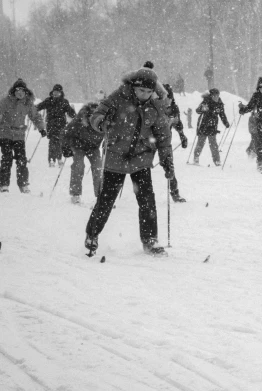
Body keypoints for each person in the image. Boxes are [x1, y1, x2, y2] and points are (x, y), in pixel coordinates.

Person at [84, 66, 175, 256]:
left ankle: (150, 240)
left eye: (149, 92)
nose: (145, 95)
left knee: (147, 201)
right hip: (115, 156)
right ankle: (92, 234)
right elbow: (96, 115)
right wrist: (102, 122)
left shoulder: (156, 106)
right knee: (106, 199)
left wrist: (166, 159)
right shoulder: (117, 98)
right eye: (141, 90)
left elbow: (163, 136)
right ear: (133, 86)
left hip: (141, 158)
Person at [0, 79, 47, 193]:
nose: (20, 93)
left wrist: (41, 128)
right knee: (6, 159)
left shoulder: (28, 103)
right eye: (17, 90)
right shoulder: (6, 102)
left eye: (22, 90)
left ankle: (23, 184)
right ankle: (4, 184)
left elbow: (35, 116)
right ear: (14, 91)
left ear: (25, 92)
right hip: (5, 134)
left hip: (19, 136)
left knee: (21, 160)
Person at [62, 102, 103, 204]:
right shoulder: (79, 121)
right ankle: (75, 194)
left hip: (93, 147)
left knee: (98, 168)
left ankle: (101, 196)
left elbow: (113, 135)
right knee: (78, 166)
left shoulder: (104, 123)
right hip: (78, 146)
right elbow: (65, 132)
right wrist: (65, 147)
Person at [36, 84, 75, 167]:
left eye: (57, 92)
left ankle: (59, 158)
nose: (56, 93)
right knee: (53, 141)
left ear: (61, 93)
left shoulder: (64, 102)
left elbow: (70, 112)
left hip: (61, 124)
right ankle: (52, 159)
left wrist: (76, 116)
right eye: (54, 92)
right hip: (51, 124)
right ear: (52, 92)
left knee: (60, 141)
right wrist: (31, 109)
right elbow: (39, 107)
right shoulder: (48, 100)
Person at [162, 83, 187, 202]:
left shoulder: (174, 108)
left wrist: (182, 136)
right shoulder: (153, 107)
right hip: (148, 141)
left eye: (170, 99)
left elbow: (178, 123)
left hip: (165, 141)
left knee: (169, 167)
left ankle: (175, 193)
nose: (168, 101)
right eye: (166, 98)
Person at [193, 88, 230, 166]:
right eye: (214, 96)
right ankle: (196, 158)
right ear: (211, 96)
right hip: (204, 125)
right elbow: (198, 110)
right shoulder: (206, 101)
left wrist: (225, 122)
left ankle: (217, 161)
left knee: (213, 144)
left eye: (217, 95)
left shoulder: (219, 103)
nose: (216, 97)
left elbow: (222, 114)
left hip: (213, 126)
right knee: (200, 143)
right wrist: (203, 109)